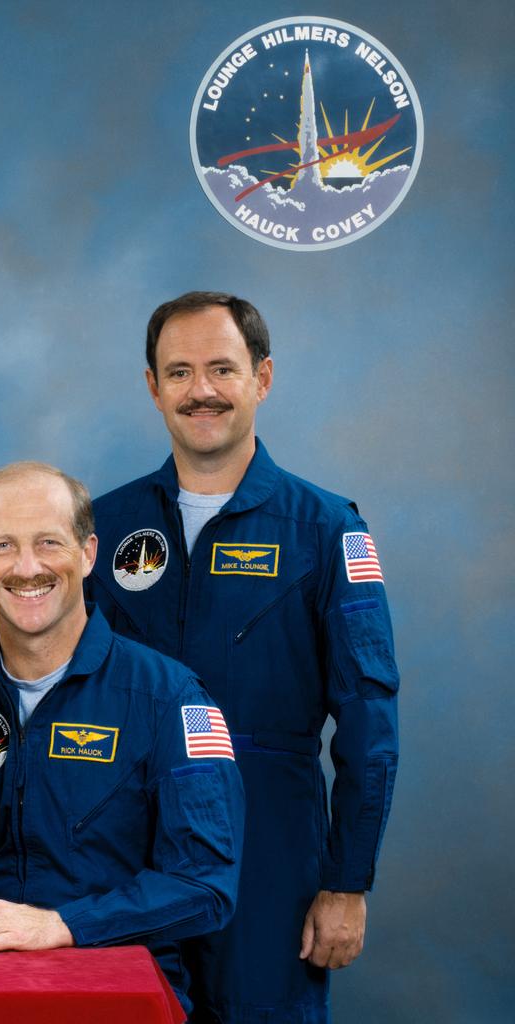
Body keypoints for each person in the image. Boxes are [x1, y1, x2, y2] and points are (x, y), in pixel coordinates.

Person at [88, 292, 400, 1023]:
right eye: (180, 372)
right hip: (122, 840)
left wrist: (348, 882)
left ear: (262, 378)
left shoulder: (326, 530)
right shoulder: (102, 526)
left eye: (222, 369)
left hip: (271, 842)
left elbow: (369, 717)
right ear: (152, 385)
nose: (201, 391)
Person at [0, 461, 244, 1008]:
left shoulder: (170, 700)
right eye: (2, 546)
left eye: (49, 542)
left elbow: (205, 885)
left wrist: (65, 925)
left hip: (115, 994)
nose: (26, 568)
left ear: (89, 553)